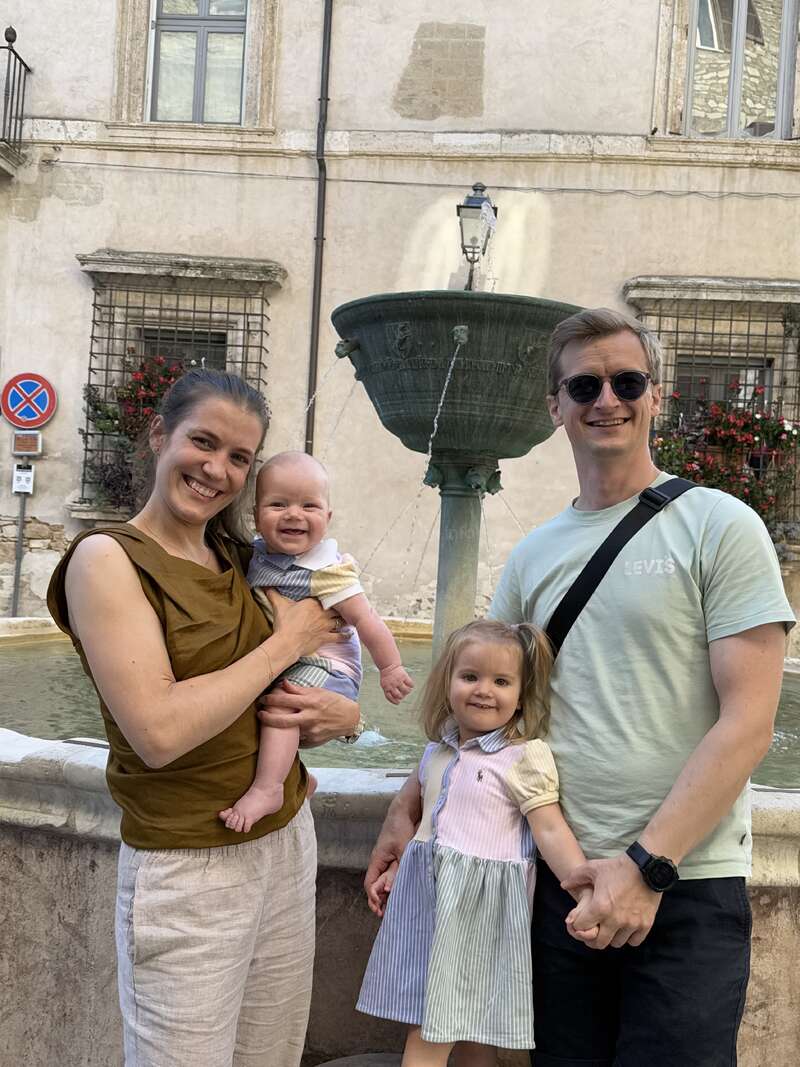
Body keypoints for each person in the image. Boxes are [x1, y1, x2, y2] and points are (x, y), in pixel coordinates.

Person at [365, 308, 794, 1067]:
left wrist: (646, 867)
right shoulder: (534, 554)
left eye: (627, 381)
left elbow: (748, 723)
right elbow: (480, 710)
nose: (608, 398)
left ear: (655, 396)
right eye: (585, 384)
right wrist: (406, 805)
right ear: (554, 406)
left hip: (683, 882)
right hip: (559, 887)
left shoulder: (721, 526)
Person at [47, 369, 360, 1067]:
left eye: (240, 457)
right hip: (189, 864)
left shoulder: (243, 557)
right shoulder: (107, 560)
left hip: (285, 840)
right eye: (204, 442)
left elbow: (329, 649)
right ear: (159, 434)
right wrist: (289, 640)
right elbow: (156, 732)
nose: (218, 469)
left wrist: (342, 711)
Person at [358, 619, 598, 1066]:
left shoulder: (522, 756)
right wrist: (395, 869)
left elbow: (549, 830)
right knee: (467, 1028)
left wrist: (581, 889)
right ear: (447, 683)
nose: (484, 690)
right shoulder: (438, 752)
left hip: (478, 912)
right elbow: (428, 827)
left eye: (501, 681)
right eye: (470, 677)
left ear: (522, 695)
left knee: (434, 1025)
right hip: (430, 903)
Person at [220, 450, 413, 832]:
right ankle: (298, 779)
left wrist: (390, 668)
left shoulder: (327, 572)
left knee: (283, 709)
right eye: (278, 504)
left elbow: (367, 620)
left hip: (328, 667)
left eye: (309, 505)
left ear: (327, 517)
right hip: (294, 657)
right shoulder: (255, 556)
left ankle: (269, 788)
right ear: (255, 515)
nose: (294, 514)